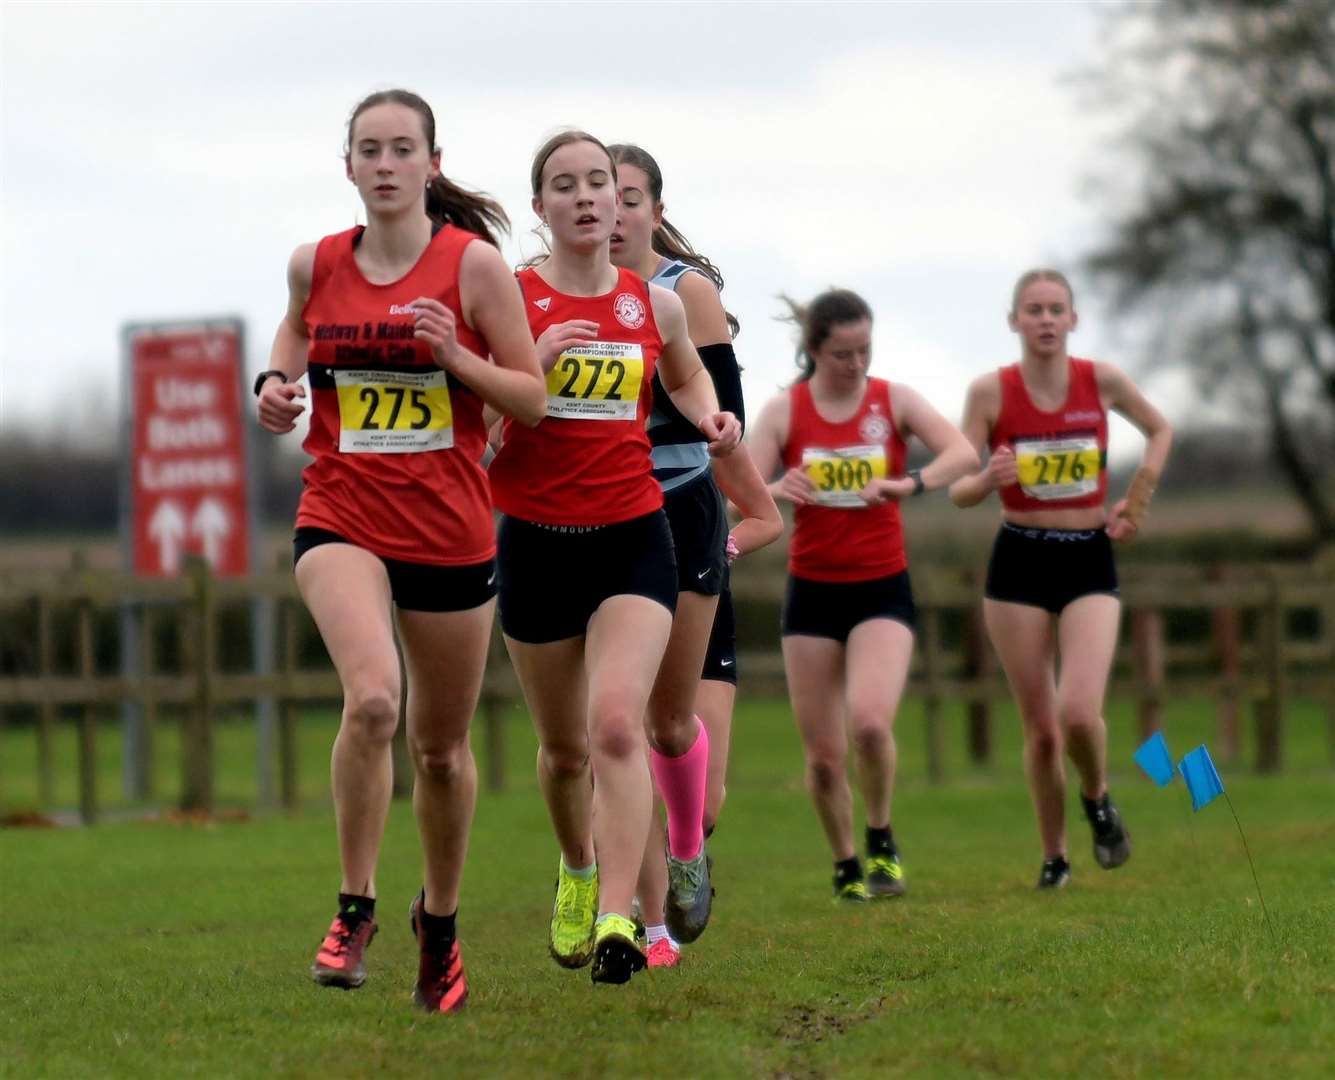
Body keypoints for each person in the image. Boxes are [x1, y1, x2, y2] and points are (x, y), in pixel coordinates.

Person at [254, 89, 546, 1013]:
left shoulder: (476, 268)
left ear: (430, 163)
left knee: (442, 751)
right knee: (373, 697)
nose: (384, 165)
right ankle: (354, 906)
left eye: (401, 150)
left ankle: (441, 921)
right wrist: (274, 382)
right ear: (348, 166)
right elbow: (296, 330)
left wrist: (455, 359)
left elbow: (530, 398)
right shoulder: (316, 263)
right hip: (340, 511)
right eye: (368, 150)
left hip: (451, 531)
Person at [487, 130, 741, 985]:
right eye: (567, 185)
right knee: (564, 752)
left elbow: (685, 378)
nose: (589, 197)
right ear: (541, 209)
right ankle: (578, 865)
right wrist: (532, 379)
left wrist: (712, 418)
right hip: (534, 540)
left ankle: (619, 922)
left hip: (635, 536)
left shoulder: (654, 304)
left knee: (616, 727)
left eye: (600, 182)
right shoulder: (511, 303)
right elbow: (476, 438)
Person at [609, 143, 782, 968]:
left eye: (629, 198)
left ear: (653, 209)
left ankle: (688, 848)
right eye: (596, 196)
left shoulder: (686, 295)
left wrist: (737, 528)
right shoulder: (546, 293)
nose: (611, 213)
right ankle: (644, 929)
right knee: (617, 733)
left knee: (690, 774)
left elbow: (725, 426)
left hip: (684, 515)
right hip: (597, 517)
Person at [749, 289, 978, 901]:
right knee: (823, 758)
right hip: (812, 596)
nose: (856, 364)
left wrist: (912, 483)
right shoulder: (784, 412)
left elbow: (962, 452)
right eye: (843, 353)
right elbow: (734, 490)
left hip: (882, 587)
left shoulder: (892, 400)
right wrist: (778, 488)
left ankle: (881, 838)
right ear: (815, 351)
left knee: (871, 726)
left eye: (865, 350)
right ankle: (846, 863)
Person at [948, 269, 1172, 888]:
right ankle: (1056, 856)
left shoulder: (1099, 380)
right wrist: (986, 480)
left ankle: (1098, 798)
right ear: (1014, 321)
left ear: (1073, 320)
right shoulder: (990, 392)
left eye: (1056, 309)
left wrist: (1139, 498)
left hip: (1088, 557)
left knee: (1078, 712)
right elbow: (960, 489)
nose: (1045, 320)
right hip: (1017, 559)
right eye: (1033, 310)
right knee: (1042, 731)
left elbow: (1159, 429)